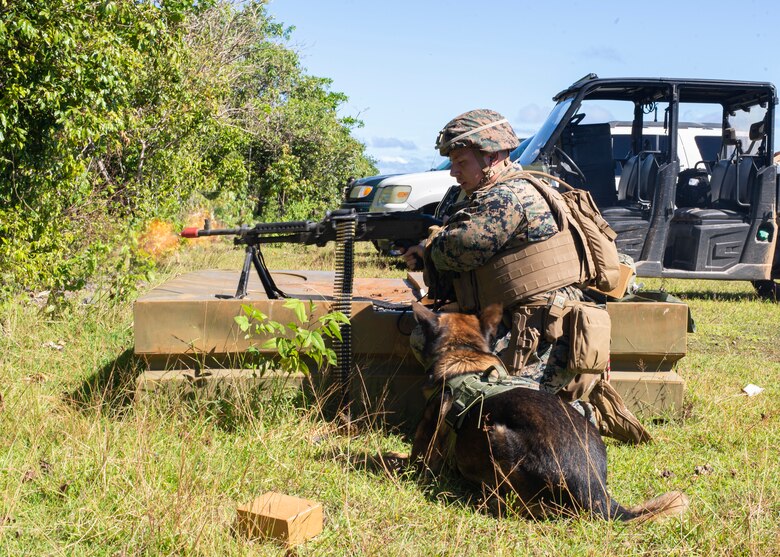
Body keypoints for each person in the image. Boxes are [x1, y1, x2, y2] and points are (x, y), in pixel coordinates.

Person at [404, 109, 651, 444]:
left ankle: (583, 416)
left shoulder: (510, 197)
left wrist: (428, 243)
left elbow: (458, 250)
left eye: (461, 162)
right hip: (515, 315)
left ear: (491, 157)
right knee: (427, 338)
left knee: (508, 407)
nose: (453, 171)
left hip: (540, 329)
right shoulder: (479, 194)